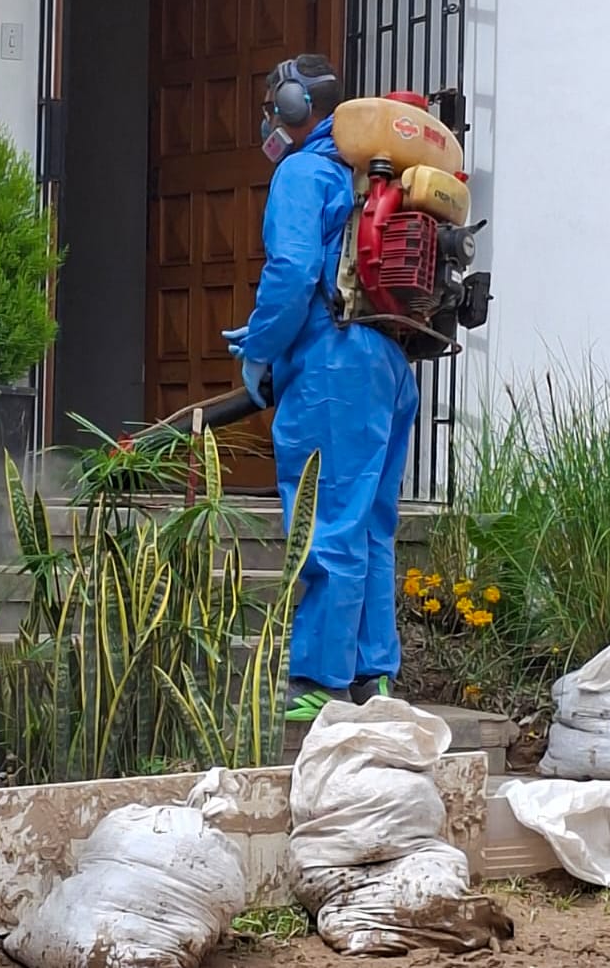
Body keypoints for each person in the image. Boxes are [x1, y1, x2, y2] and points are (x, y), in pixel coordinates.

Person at [223, 55, 420, 722]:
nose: (267, 121)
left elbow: (292, 270)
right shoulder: (366, 172)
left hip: (334, 367)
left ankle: (318, 681)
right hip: (388, 362)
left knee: (325, 518)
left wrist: (260, 349)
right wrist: (262, 334)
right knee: (370, 523)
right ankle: (373, 674)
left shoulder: (303, 173)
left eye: (271, 107)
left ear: (291, 105)